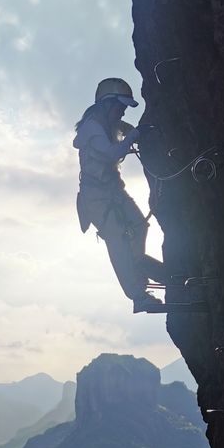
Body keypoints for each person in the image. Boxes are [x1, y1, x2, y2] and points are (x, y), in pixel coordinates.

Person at [73, 77, 166, 312]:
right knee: (118, 242)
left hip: (111, 190)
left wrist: (134, 132)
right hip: (97, 198)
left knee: (139, 226)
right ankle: (137, 294)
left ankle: (138, 270)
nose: (123, 110)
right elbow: (109, 154)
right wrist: (134, 136)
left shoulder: (108, 122)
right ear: (108, 103)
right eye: (121, 105)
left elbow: (122, 131)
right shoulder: (92, 127)